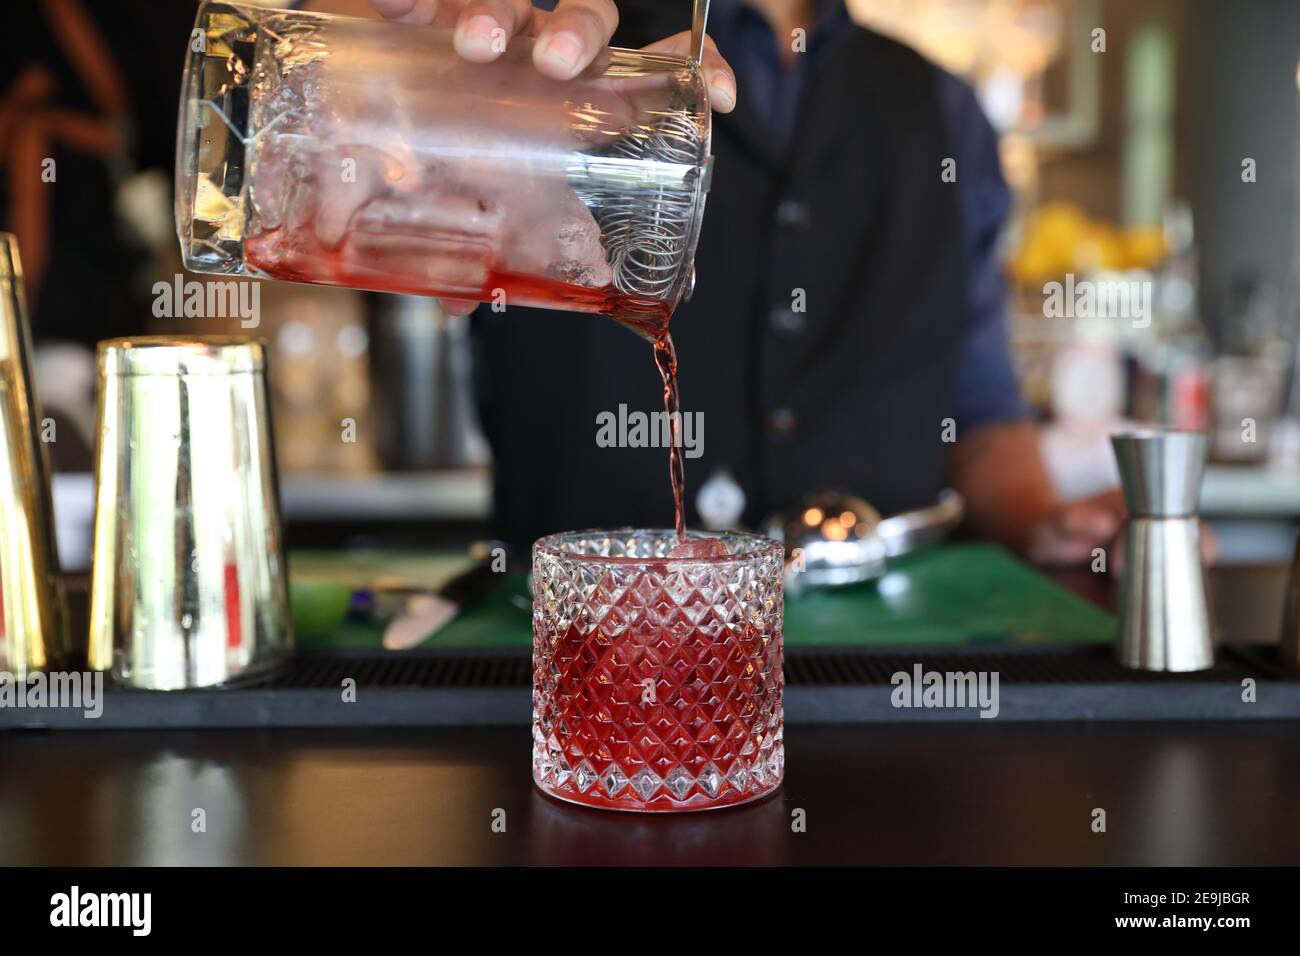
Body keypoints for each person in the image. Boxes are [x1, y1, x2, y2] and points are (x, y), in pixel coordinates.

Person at [368, 0, 1125, 564]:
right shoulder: (553, 50)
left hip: (883, 668)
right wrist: (400, 106)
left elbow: (981, 406)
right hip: (580, 677)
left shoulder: (945, 112)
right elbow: (376, 152)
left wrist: (1041, 521)